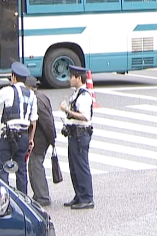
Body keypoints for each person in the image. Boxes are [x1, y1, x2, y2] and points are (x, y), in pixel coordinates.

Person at [0, 62, 38, 195]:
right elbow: (33, 121)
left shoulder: (9, 90)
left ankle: (6, 196)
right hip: (24, 136)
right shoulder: (32, 95)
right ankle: (23, 198)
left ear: (13, 77)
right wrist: (31, 139)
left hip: (8, 135)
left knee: (4, 167)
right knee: (21, 169)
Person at [60, 65, 94, 210]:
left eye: (71, 76)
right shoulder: (76, 93)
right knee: (74, 167)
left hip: (81, 134)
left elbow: (85, 117)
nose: (69, 79)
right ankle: (79, 195)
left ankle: (87, 197)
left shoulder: (84, 95)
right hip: (74, 134)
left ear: (78, 78)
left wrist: (67, 110)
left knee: (81, 166)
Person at [28, 76, 55, 207]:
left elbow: (47, 122)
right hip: (41, 138)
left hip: (40, 139)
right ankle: (38, 194)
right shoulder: (42, 96)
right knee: (33, 165)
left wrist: (52, 139)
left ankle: (42, 196)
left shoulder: (37, 101)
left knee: (36, 165)